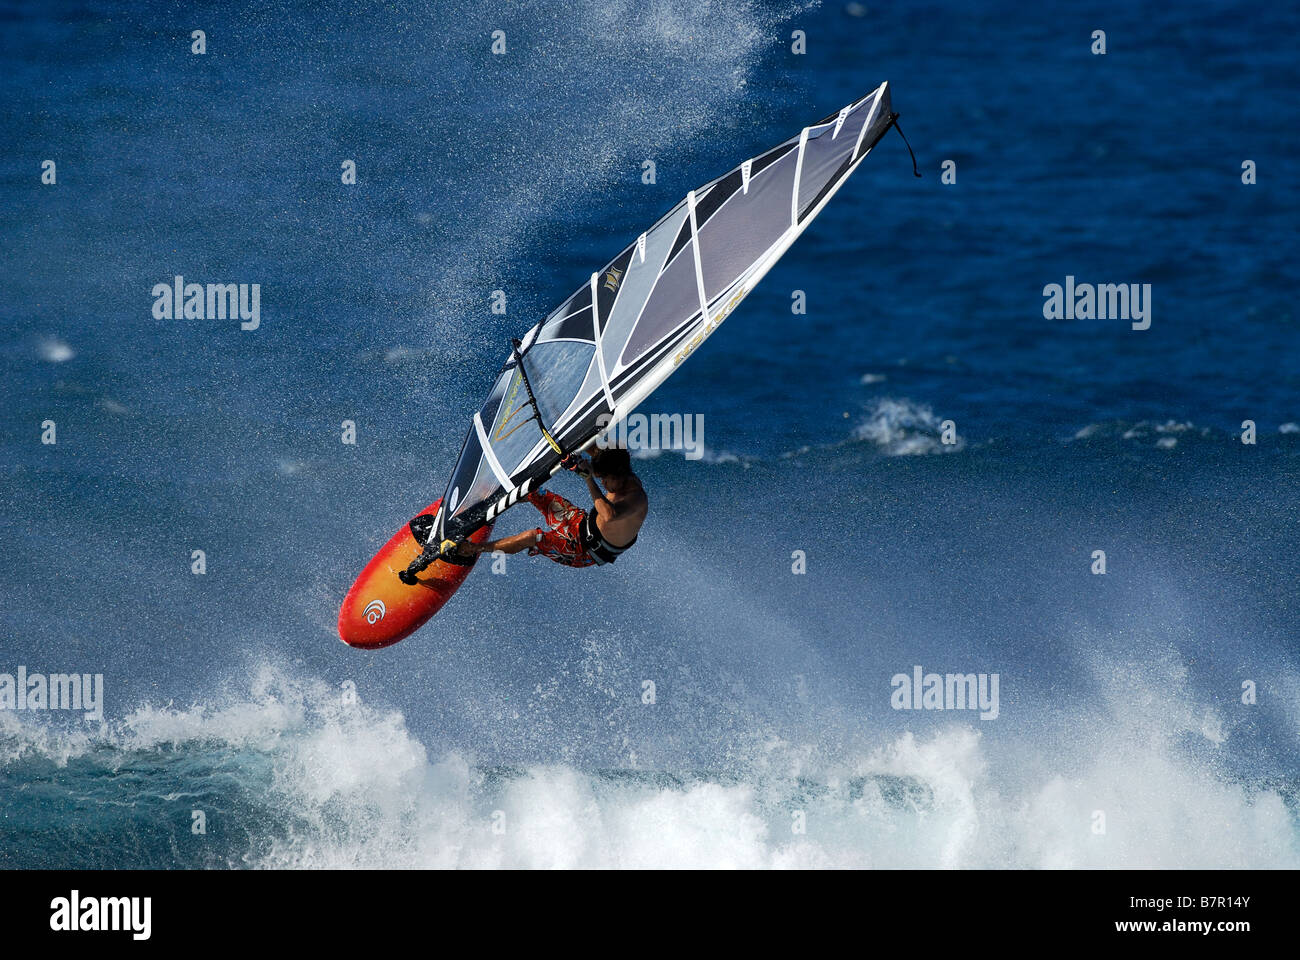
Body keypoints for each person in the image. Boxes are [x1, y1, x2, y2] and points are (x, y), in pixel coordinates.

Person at [457, 447, 647, 567]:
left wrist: (588, 479)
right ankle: (485, 498)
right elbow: (594, 450)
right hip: (580, 522)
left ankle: (471, 550)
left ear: (619, 475)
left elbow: (609, 516)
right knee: (532, 491)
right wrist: (572, 454)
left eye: (605, 480)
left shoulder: (636, 499)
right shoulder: (615, 464)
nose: (604, 484)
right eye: (601, 479)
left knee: (532, 537)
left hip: (584, 551)